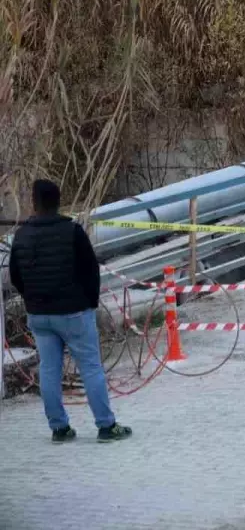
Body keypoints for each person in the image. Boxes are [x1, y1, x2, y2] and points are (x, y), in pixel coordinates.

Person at [9, 180, 133, 444]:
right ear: (58, 201)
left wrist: (32, 299)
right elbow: (91, 270)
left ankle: (59, 428)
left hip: (39, 314)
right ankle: (106, 426)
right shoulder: (72, 231)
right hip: (74, 312)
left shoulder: (21, 235)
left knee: (49, 369)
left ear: (34, 202)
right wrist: (90, 302)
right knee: (90, 367)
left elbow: (15, 276)